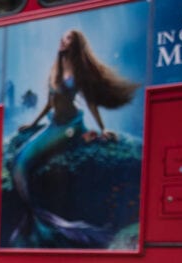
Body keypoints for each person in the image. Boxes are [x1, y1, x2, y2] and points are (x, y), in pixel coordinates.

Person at [9, 29, 138, 247]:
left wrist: (103, 127)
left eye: (68, 38)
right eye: (63, 37)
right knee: (18, 161)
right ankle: (36, 216)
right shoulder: (56, 68)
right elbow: (50, 103)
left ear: (75, 44)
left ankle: (41, 223)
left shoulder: (79, 71)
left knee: (25, 164)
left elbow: (90, 103)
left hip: (70, 126)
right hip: (54, 123)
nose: (63, 40)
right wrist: (32, 124)